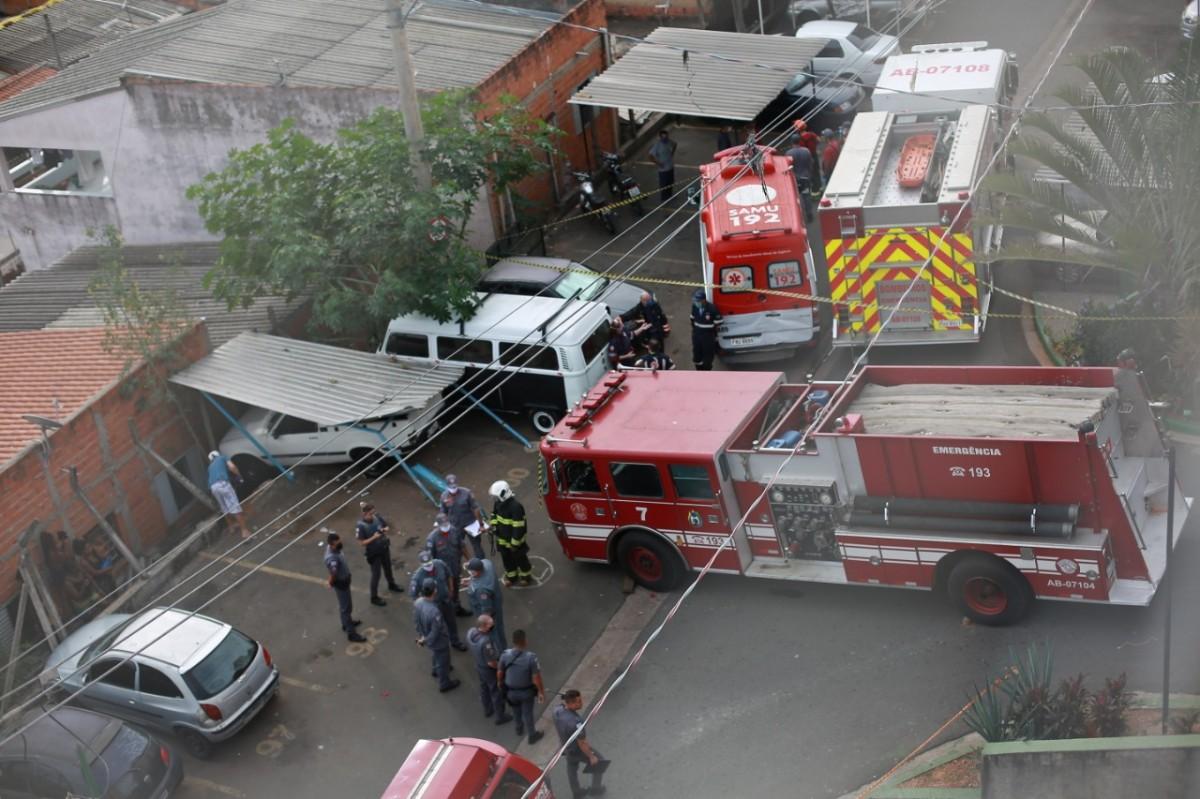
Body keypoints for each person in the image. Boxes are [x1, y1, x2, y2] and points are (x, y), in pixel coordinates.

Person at [554, 689, 610, 798]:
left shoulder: (557, 711)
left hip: (566, 747)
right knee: (599, 761)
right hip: (577, 749)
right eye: (578, 701)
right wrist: (591, 756)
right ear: (570, 703)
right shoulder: (576, 723)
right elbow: (582, 743)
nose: (581, 703)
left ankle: (577, 792)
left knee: (571, 768)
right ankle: (596, 788)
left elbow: (561, 706)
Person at [408, 552, 467, 650]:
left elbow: (449, 575)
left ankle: (455, 641)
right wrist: (424, 607)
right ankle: (442, 649)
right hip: (433, 607)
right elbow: (414, 596)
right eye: (426, 565)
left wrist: (451, 589)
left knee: (451, 622)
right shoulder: (417, 577)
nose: (429, 566)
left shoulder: (439, 564)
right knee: (438, 629)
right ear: (420, 564)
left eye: (430, 563)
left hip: (446, 601)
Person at [498, 629, 545, 744]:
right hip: (526, 692)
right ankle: (532, 735)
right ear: (524, 641)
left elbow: (499, 672)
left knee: (516, 710)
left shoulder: (505, 655)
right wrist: (541, 692)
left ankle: (518, 727)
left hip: (511, 692)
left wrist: (500, 683)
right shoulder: (531, 658)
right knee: (527, 713)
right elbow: (536, 678)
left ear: (513, 641)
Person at [414, 579, 460, 692]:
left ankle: (435, 669)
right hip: (438, 641)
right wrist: (426, 641)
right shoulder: (434, 612)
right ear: (434, 591)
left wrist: (421, 636)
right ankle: (444, 683)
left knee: (435, 654)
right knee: (443, 660)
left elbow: (416, 620)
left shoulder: (418, 602)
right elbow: (436, 631)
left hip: (426, 635)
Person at [355, 502, 403, 607]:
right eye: (370, 513)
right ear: (365, 514)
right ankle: (374, 597)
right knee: (376, 575)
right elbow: (361, 543)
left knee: (388, 568)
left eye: (373, 512)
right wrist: (374, 537)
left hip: (384, 547)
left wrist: (384, 529)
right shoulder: (361, 526)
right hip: (374, 553)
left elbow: (385, 526)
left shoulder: (377, 517)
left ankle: (392, 584)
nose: (373, 515)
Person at [467, 615, 511, 724]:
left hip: (479, 665)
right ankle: (500, 716)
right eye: (491, 624)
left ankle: (487, 709)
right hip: (488, 670)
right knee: (496, 691)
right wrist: (500, 668)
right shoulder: (486, 642)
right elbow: (491, 662)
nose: (493, 626)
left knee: (484, 687)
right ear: (485, 626)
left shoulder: (471, 633)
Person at [324, 533, 366, 643]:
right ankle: (351, 634)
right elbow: (333, 572)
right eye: (337, 544)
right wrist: (330, 582)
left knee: (345, 606)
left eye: (339, 542)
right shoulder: (332, 558)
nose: (340, 545)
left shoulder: (332, 548)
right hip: (341, 583)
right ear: (331, 545)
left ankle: (346, 624)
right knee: (346, 608)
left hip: (344, 581)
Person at [427, 512, 471, 616]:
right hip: (441, 572)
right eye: (443, 525)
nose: (446, 527)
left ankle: (457, 608)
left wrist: (469, 559)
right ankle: (443, 613)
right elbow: (430, 559)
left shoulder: (454, 531)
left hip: (455, 567)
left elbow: (462, 546)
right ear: (437, 525)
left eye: (447, 524)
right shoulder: (432, 538)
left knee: (455, 589)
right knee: (443, 593)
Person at [489, 481, 532, 587]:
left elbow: (518, 527)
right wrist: (494, 526)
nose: (495, 498)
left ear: (503, 493)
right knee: (506, 559)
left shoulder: (516, 507)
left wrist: (514, 543)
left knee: (520, 558)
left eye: (496, 496)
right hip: (502, 539)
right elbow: (493, 514)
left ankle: (526, 576)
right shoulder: (498, 503)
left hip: (514, 541)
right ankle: (512, 576)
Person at [440, 474, 488, 561]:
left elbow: (476, 509)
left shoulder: (467, 493)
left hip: (471, 524)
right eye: (451, 487)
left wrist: (481, 525)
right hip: (455, 527)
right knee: (458, 547)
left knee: (477, 546)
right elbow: (443, 512)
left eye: (455, 486)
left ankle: (482, 564)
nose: (453, 488)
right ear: (447, 486)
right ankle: (468, 564)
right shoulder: (444, 496)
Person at [207, 451, 251, 539]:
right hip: (223, 484)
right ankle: (244, 531)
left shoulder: (210, 467)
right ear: (217, 455)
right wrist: (239, 476)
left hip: (213, 488)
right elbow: (232, 467)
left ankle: (231, 527)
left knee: (224, 508)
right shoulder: (222, 457)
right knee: (235, 507)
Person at [466, 557, 506, 649]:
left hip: (490, 610)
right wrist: (471, 581)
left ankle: (500, 653)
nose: (471, 573)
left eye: (472, 572)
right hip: (497, 600)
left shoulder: (482, 590)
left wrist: (484, 625)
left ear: (478, 571)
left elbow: (486, 610)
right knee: (500, 628)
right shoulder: (487, 564)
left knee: (494, 633)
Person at [689, 289, 723, 371]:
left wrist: (710, 330)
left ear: (704, 300)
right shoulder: (695, 306)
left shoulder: (712, 309)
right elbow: (692, 319)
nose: (696, 303)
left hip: (708, 337)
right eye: (695, 301)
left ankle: (707, 372)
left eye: (698, 301)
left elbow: (718, 322)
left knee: (708, 356)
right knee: (697, 356)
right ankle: (699, 370)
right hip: (697, 336)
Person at [784, 133, 815, 223]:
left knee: (796, 197)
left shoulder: (788, 153)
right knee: (806, 197)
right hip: (805, 177)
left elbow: (788, 167)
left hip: (795, 179)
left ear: (791, 142)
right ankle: (809, 215)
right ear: (800, 141)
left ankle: (798, 217)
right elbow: (810, 164)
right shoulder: (806, 151)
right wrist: (809, 174)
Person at [649, 129, 678, 203]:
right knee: (664, 184)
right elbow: (650, 156)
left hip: (670, 167)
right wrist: (658, 163)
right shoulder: (657, 145)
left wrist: (672, 153)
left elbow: (675, 144)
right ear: (660, 137)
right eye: (663, 137)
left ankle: (670, 196)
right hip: (663, 169)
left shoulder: (669, 142)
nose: (665, 138)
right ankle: (664, 198)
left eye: (666, 137)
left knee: (670, 182)